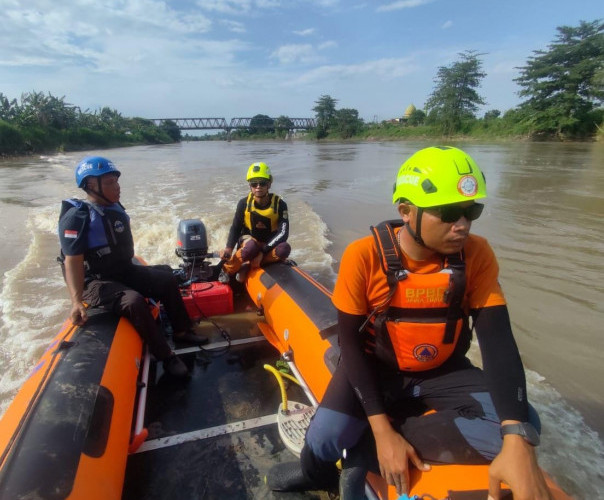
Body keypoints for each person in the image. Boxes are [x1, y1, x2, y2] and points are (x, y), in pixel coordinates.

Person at [267, 146, 554, 500]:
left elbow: (498, 343)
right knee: (326, 437)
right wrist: (382, 425)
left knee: (526, 423)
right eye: (449, 213)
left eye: (471, 211)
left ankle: (363, 452)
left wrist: (516, 437)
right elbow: (351, 347)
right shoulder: (364, 256)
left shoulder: (477, 255)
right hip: (376, 368)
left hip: (443, 369)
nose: (462, 224)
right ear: (405, 212)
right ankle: (317, 472)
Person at [57, 156, 208, 378]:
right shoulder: (76, 218)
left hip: (122, 269)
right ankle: (166, 357)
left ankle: (181, 331)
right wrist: (76, 301)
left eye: (116, 181)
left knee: (166, 279)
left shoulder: (114, 208)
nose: (117, 187)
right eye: (109, 183)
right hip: (95, 280)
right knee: (133, 301)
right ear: (91, 185)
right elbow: (73, 260)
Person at [221, 162, 291, 282]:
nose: (258, 187)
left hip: (268, 244)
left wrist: (263, 252)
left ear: (269, 184)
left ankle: (249, 265)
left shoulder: (280, 205)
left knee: (284, 249)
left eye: (262, 183)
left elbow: (283, 233)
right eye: (254, 183)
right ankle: (227, 270)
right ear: (250, 186)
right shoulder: (243, 204)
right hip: (250, 241)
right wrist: (228, 248)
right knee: (252, 247)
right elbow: (236, 227)